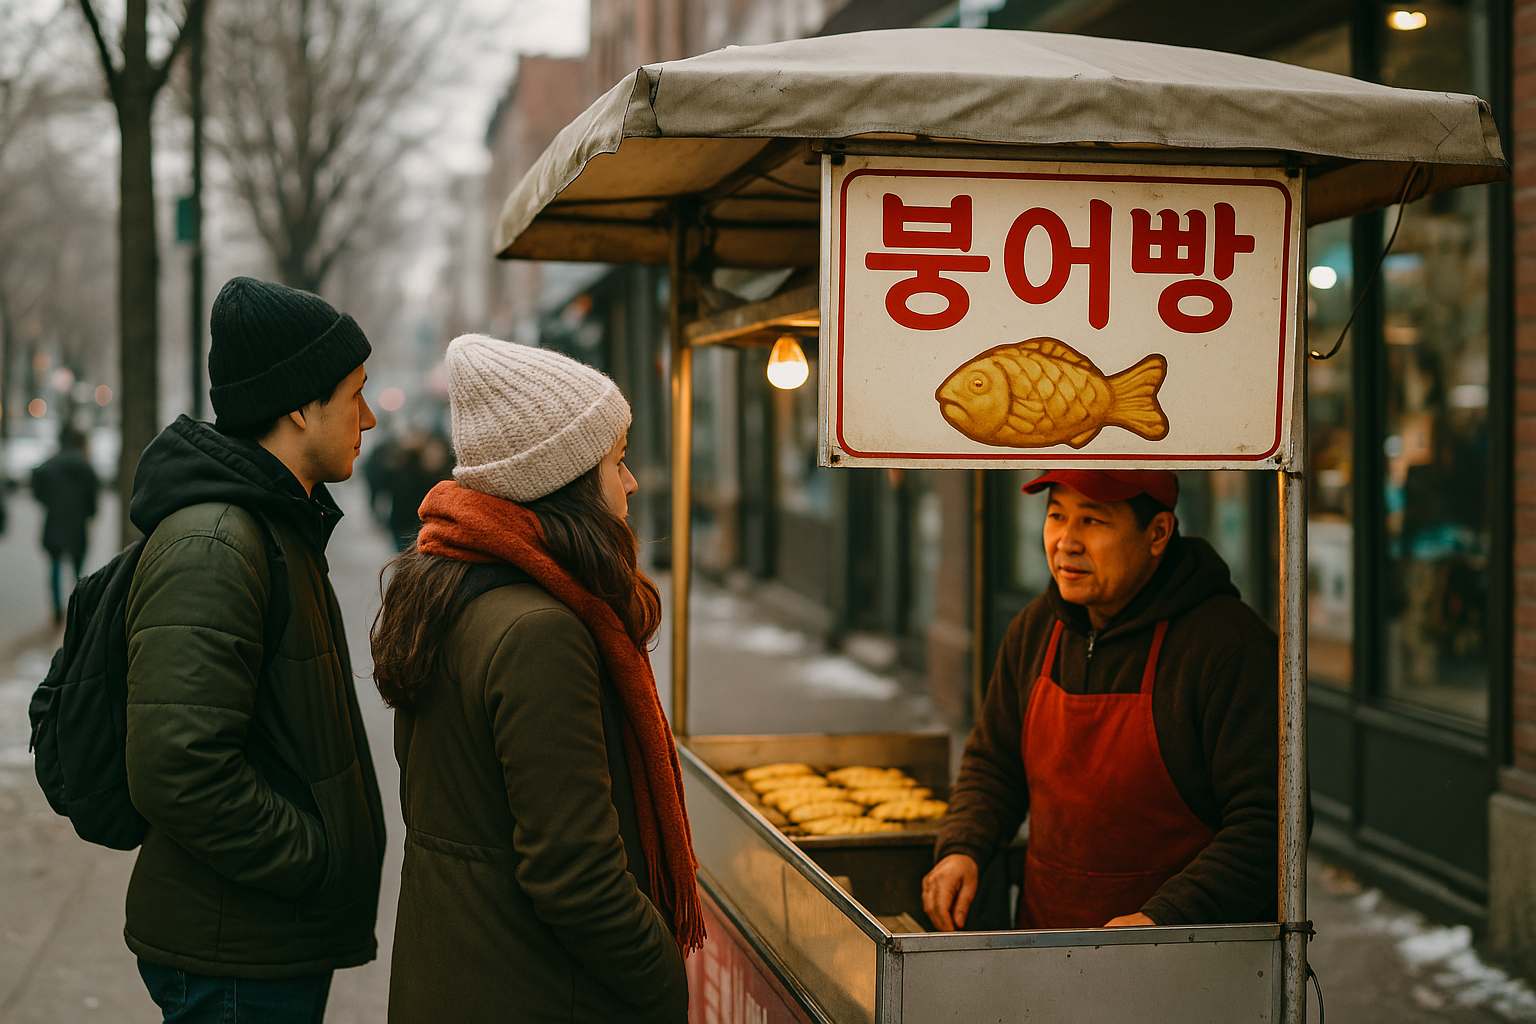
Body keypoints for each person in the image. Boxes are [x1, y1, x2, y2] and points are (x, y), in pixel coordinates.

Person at [372, 334, 698, 1023]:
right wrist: (663, 976)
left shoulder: (451, 589)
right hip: (538, 990)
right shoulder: (539, 633)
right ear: (569, 482)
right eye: (619, 462)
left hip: (466, 977)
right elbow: (577, 877)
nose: (632, 482)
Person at [123, 277, 385, 1023]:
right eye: (354, 394)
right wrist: (315, 859)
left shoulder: (276, 525)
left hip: (259, 942)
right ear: (300, 406)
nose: (367, 417)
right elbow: (178, 767)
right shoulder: (218, 541)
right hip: (235, 953)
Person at [923, 469, 1279, 932]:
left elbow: (1268, 825)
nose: (1066, 542)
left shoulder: (1230, 649)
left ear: (1157, 533)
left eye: (1092, 521)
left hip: (1186, 961)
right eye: (1056, 516)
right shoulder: (1034, 631)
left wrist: (1163, 919)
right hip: (1044, 946)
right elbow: (994, 763)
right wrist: (962, 847)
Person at [31, 424, 99, 623]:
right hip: (77, 525)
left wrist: (47, 500)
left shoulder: (51, 464)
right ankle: (77, 607)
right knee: (78, 571)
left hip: (54, 523)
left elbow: (37, 483)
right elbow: (92, 499)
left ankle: (57, 610)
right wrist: (89, 512)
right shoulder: (85, 467)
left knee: (55, 567)